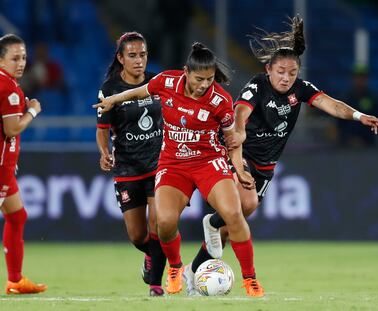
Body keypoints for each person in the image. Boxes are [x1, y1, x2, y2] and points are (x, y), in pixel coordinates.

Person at [185, 15, 378, 295]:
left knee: (232, 226)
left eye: (292, 73)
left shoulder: (300, 89)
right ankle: (218, 254)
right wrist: (237, 153)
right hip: (238, 152)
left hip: (266, 165)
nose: (286, 78)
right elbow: (239, 115)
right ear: (269, 69)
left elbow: (331, 104)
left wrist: (358, 115)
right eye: (280, 72)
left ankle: (193, 271)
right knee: (247, 204)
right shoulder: (257, 85)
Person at [94, 42, 265, 297]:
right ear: (186, 72)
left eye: (209, 79)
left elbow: (232, 140)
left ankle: (250, 279)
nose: (204, 85)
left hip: (209, 161)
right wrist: (113, 100)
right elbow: (140, 92)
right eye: (199, 79)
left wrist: (239, 169)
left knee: (233, 213)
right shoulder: (167, 82)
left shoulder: (221, 100)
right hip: (173, 163)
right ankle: (176, 268)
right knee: (164, 223)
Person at [95, 32, 165, 297]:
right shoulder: (109, 89)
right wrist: (104, 152)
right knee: (138, 236)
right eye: (133, 55)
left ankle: (158, 284)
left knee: (160, 226)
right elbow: (102, 130)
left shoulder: (157, 82)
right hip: (127, 168)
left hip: (160, 165)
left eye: (143, 54)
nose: (139, 60)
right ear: (121, 58)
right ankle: (155, 256)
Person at [0, 34, 47, 294]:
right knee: (16, 217)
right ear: (0, 60)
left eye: (24, 57)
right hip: (0, 170)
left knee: (17, 216)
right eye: (14, 58)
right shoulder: (7, 87)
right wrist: (33, 110)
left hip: (5, 167)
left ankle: (15, 280)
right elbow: (12, 128)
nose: (21, 63)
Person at [336, 64, 378, 147]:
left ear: (367, 79)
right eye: (357, 77)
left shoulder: (374, 99)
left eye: (363, 77)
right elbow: (338, 123)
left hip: (368, 143)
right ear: (352, 78)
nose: (360, 80)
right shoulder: (344, 98)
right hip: (346, 143)